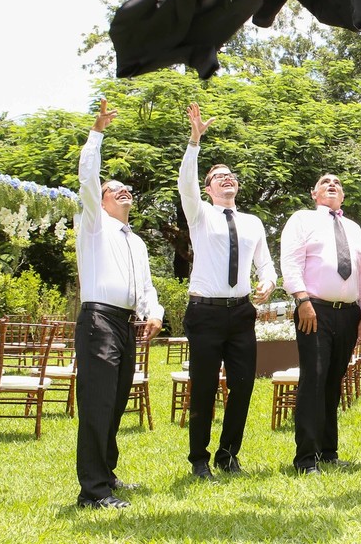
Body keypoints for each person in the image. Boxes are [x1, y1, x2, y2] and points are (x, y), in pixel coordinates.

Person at [179, 102, 276, 480]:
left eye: (231, 175)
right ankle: (199, 459)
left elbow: (266, 265)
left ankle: (228, 453)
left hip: (240, 314)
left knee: (243, 386)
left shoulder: (253, 222)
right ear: (208, 187)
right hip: (204, 313)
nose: (226, 178)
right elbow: (185, 183)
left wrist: (268, 281)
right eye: (219, 176)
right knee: (203, 387)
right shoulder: (200, 213)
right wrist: (194, 141)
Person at [74, 99, 163, 510]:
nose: (124, 191)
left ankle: (106, 473)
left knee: (117, 398)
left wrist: (155, 314)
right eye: (115, 189)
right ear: (103, 199)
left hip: (126, 323)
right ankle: (93, 491)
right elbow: (88, 181)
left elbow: (143, 285)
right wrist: (97, 134)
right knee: (97, 401)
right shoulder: (92, 223)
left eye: (128, 189)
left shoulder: (137, 240)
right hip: (98, 320)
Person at [280, 173, 361, 474]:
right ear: (314, 193)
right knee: (314, 380)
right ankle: (306, 458)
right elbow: (291, 262)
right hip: (314, 310)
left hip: (347, 314)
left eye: (337, 183)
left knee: (334, 382)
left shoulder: (355, 228)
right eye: (325, 182)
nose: (332, 184)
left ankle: (328, 451)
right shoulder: (302, 220)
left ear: (343, 196)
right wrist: (302, 300)